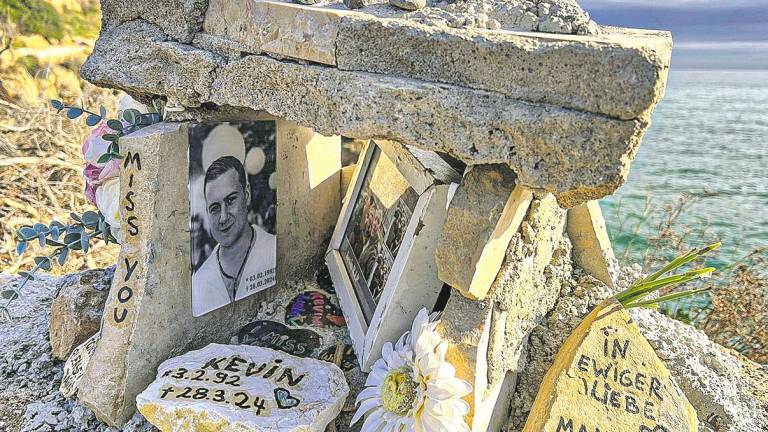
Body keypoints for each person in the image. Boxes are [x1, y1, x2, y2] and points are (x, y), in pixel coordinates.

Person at [192, 156, 276, 317]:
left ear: (247, 195)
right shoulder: (199, 281)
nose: (223, 218)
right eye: (215, 208)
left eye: (230, 200)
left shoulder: (273, 251)